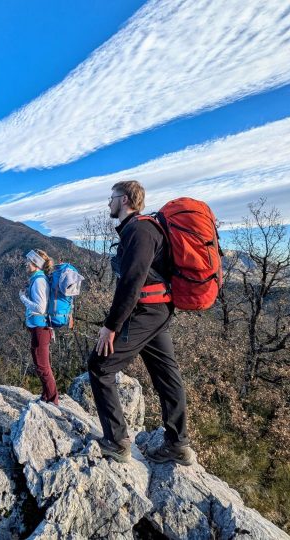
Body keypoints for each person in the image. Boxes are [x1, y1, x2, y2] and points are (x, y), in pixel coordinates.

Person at [88, 180, 195, 465]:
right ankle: (178, 444)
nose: (108, 203)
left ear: (123, 200)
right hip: (157, 310)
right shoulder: (142, 229)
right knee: (166, 375)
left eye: (111, 197)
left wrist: (111, 326)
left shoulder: (140, 230)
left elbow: (132, 282)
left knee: (99, 366)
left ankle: (117, 441)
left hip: (146, 310)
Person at [19, 249, 59, 406]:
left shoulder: (39, 281)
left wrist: (22, 298)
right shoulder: (37, 279)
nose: (26, 264)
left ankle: (52, 400)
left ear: (35, 264)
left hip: (40, 329)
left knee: (42, 366)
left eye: (28, 261)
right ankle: (46, 395)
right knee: (40, 363)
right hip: (40, 328)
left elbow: (41, 308)